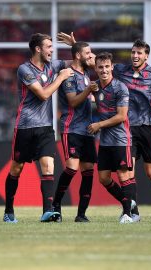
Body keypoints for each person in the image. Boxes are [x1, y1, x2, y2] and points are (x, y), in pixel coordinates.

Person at [57, 32, 151, 222]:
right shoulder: (121, 70)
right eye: (133, 52)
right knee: (126, 174)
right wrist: (76, 46)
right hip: (126, 129)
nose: (135, 56)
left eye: (139, 53)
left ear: (146, 55)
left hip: (147, 128)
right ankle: (132, 211)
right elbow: (97, 64)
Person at [3, 33, 74, 223]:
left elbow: (78, 61)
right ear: (38, 49)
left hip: (45, 128)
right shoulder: (24, 69)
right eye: (49, 47)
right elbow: (43, 94)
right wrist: (60, 79)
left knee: (48, 166)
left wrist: (74, 45)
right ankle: (9, 211)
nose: (52, 50)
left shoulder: (53, 66)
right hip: (26, 126)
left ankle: (48, 211)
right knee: (16, 169)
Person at [52, 42, 99, 223]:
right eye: (87, 53)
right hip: (71, 128)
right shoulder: (69, 75)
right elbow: (72, 102)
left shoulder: (86, 73)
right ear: (78, 55)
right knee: (71, 168)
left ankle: (81, 214)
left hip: (87, 130)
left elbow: (98, 63)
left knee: (88, 171)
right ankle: (56, 206)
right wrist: (89, 90)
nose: (91, 55)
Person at [88, 52, 134, 224]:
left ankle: (128, 214)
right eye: (100, 67)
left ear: (112, 67)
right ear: (96, 69)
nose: (104, 70)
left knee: (123, 176)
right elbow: (86, 58)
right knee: (104, 178)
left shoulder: (120, 88)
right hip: (106, 141)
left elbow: (122, 116)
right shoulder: (95, 87)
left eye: (107, 66)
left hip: (121, 139)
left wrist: (99, 125)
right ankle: (128, 203)